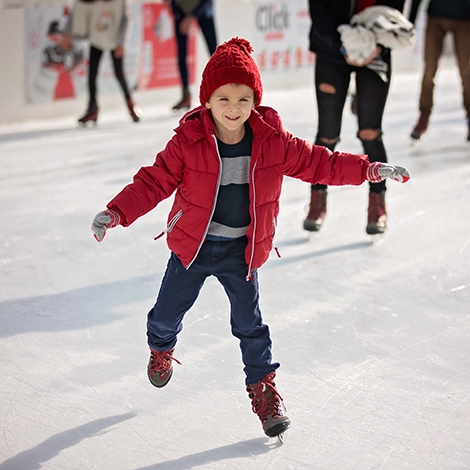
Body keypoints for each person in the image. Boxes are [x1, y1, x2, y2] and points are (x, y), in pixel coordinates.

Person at [90, 38, 410, 438]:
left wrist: (370, 170)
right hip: (194, 248)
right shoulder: (187, 142)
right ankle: (160, 350)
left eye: (244, 98)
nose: (233, 108)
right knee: (164, 316)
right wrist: (116, 212)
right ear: (207, 100)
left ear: (255, 100)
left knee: (251, 325)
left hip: (242, 251)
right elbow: (153, 182)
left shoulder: (272, 140)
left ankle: (264, 388)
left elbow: (319, 163)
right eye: (223, 97)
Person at [304, 0, 410, 235]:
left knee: (370, 132)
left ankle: (377, 206)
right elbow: (320, 12)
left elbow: (395, 14)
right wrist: (342, 48)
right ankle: (317, 202)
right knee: (327, 134)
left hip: (376, 50)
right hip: (331, 51)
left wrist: (377, 49)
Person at [61, 0, 142, 125]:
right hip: (97, 38)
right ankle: (92, 107)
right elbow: (77, 10)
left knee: (119, 73)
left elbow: (126, 19)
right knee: (92, 73)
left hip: (114, 39)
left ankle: (130, 103)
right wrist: (66, 33)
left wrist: (122, 42)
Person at [409, 0, 470, 141]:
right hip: (435, 18)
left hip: (464, 19)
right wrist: (410, 22)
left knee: (466, 72)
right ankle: (423, 115)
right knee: (429, 70)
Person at [163, 0, 217, 111]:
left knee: (215, 54)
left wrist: (192, 16)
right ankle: (185, 94)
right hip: (181, 9)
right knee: (181, 55)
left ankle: (222, 89)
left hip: (203, 8)